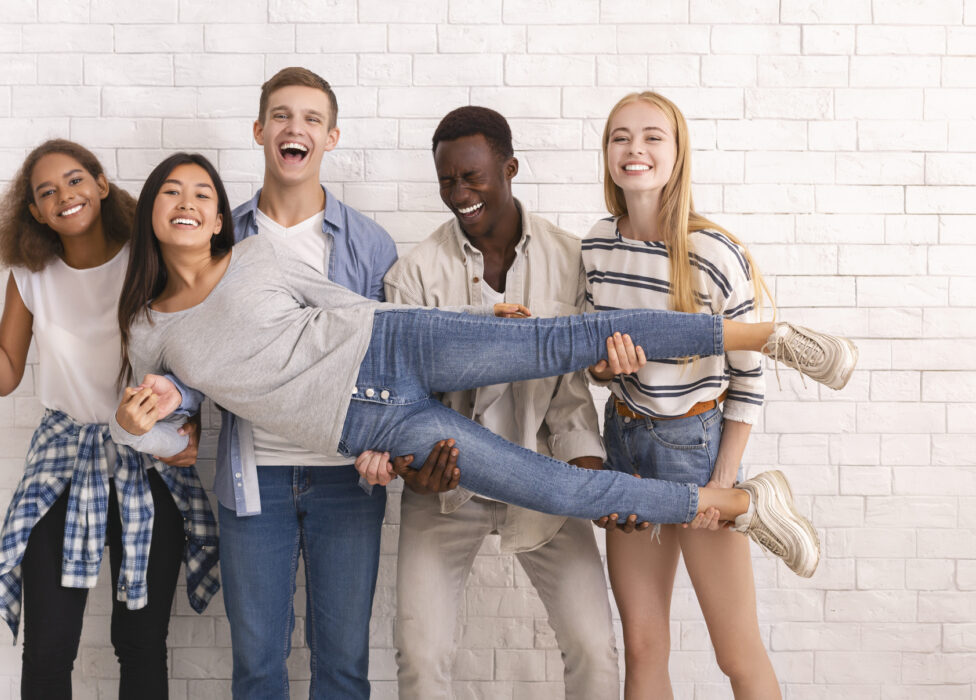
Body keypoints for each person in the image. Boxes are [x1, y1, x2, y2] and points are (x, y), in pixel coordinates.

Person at [110, 152, 857, 594]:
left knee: (576, 337)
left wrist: (472, 323)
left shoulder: (257, 255)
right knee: (559, 487)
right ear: (152, 214)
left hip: (394, 344)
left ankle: (773, 336)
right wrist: (134, 427)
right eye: (172, 193)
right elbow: (177, 440)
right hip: (376, 425)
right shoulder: (150, 327)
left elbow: (345, 305)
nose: (188, 203)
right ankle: (739, 506)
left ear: (218, 219)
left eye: (202, 194)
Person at [0, 139, 219, 700]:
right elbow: (4, 376)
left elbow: (192, 356)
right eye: (47, 193)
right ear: (37, 214)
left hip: (146, 457)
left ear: (99, 183)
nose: (64, 196)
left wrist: (187, 429)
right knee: (48, 647)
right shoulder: (30, 275)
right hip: (62, 457)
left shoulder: (147, 260)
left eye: (74, 181)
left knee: (140, 643)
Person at [583, 91, 858, 699]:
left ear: (678, 153)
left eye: (653, 136)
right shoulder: (597, 245)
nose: (635, 149)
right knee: (643, 648)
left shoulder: (713, 252)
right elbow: (594, 359)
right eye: (620, 136)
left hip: (697, 452)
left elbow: (748, 380)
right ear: (606, 153)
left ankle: (751, 501)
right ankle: (750, 501)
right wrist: (605, 370)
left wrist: (727, 479)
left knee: (736, 651)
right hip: (626, 446)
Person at [156, 67, 406, 700]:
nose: (296, 128)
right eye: (283, 116)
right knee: (258, 667)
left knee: (344, 667)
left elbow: (390, 355)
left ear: (332, 136)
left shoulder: (370, 244)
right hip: (252, 480)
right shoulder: (221, 237)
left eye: (312, 119)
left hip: (348, 477)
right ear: (261, 130)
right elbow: (191, 351)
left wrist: (388, 442)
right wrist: (171, 406)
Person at [376, 106, 622, 699]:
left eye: (472, 177)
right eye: (446, 181)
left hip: (544, 472)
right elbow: (402, 396)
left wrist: (587, 475)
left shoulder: (571, 259)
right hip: (447, 481)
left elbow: (570, 392)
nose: (459, 193)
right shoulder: (412, 276)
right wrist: (412, 468)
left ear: (510, 168)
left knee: (594, 646)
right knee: (420, 651)